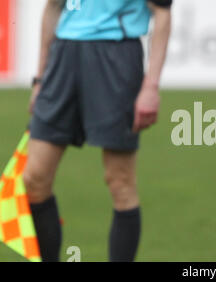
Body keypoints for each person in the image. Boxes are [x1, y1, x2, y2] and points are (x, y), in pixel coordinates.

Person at [23, 0, 172, 262]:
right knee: (34, 180)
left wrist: (151, 86)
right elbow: (53, 7)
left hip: (115, 56)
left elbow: (162, 13)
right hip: (63, 56)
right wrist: (40, 78)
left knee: (120, 182)